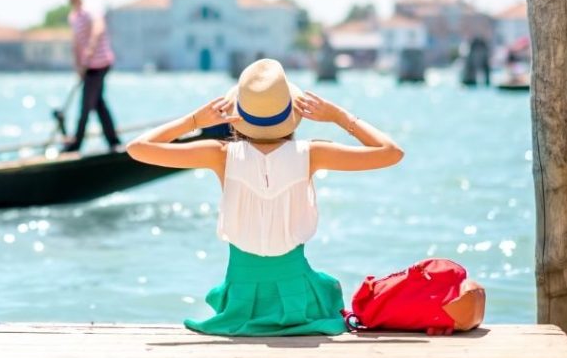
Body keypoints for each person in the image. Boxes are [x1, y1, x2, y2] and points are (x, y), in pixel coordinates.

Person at [127, 58, 404, 336]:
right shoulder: (312, 154)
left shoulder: (220, 155)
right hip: (299, 300)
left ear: (239, 116)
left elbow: (138, 148)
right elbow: (391, 152)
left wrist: (195, 121)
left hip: (240, 302)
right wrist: (339, 116)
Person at [63, 0, 121, 153]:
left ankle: (76, 144)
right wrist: (78, 66)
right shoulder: (73, 17)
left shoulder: (91, 10)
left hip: (100, 64)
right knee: (98, 103)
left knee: (86, 104)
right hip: (87, 67)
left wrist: (90, 50)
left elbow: (98, 28)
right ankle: (114, 141)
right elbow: (76, 43)